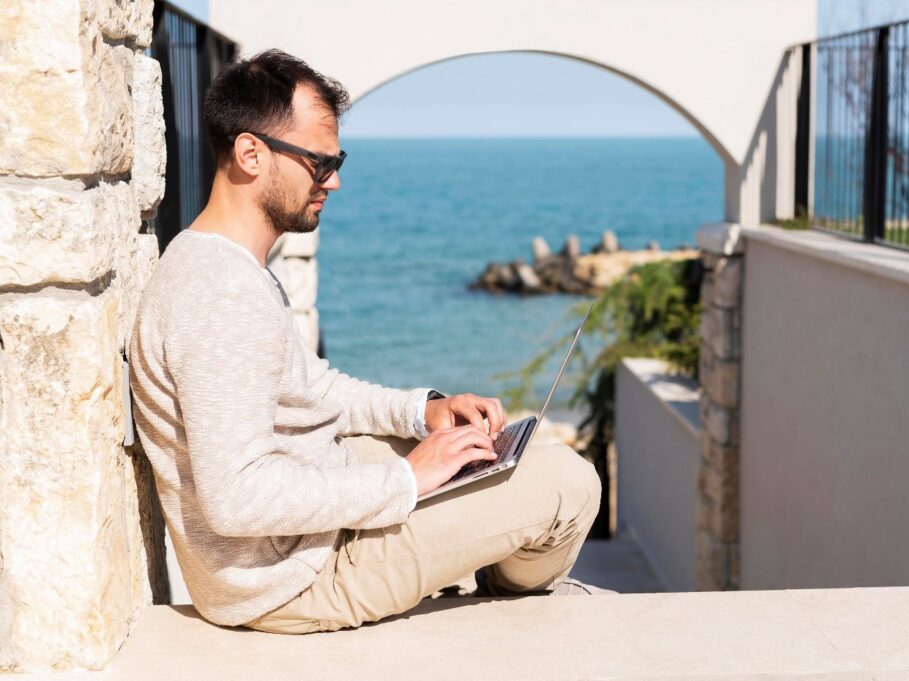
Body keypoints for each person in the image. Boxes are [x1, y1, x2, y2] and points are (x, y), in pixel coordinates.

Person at [128, 49, 604, 634]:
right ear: (251, 153)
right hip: (294, 578)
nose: (335, 179)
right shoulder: (219, 294)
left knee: (492, 455)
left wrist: (421, 410)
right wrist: (407, 481)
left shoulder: (227, 266)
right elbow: (237, 496)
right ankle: (501, 592)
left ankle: (472, 540)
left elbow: (309, 387)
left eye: (337, 159)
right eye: (318, 161)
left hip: (306, 527)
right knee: (569, 485)